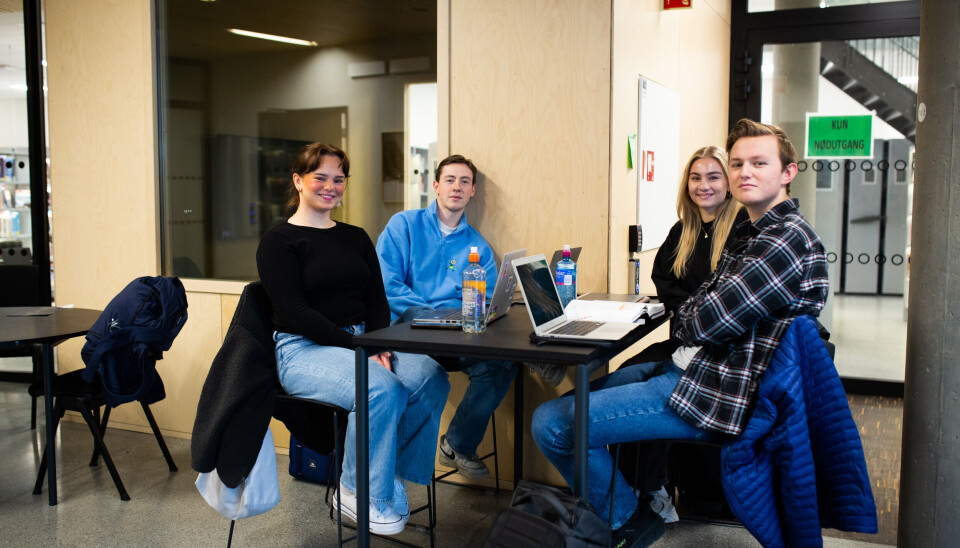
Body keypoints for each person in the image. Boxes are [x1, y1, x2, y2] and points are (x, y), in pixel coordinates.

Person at [532, 119, 829, 548]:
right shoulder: (751, 230)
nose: (744, 172)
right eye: (738, 163)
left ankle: (629, 521)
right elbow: (695, 301)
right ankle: (635, 502)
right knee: (585, 395)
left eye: (759, 163)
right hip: (693, 366)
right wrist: (696, 311)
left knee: (552, 424)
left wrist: (693, 313)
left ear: (787, 172)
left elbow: (700, 319)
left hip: (713, 390)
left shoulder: (781, 241)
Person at [257, 143, 450, 536]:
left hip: (362, 341)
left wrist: (375, 343)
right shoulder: (278, 241)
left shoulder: (355, 236)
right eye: (320, 178)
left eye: (339, 179)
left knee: (431, 374)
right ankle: (355, 490)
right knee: (380, 389)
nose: (331, 186)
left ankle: (388, 473)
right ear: (298, 181)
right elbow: (296, 313)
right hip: (303, 348)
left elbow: (376, 298)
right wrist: (360, 349)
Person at [376, 154, 528, 481]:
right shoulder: (404, 225)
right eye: (449, 180)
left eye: (464, 182)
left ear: (473, 191)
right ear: (435, 186)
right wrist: (432, 314)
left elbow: (486, 300)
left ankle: (457, 444)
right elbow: (386, 283)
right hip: (408, 332)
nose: (456, 187)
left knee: (502, 364)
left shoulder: (478, 246)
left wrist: (470, 315)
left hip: (454, 335)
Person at [616, 146, 745, 521]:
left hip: (719, 351)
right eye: (696, 177)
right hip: (682, 339)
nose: (703, 186)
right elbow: (665, 282)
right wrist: (694, 308)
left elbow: (729, 301)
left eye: (713, 177)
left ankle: (650, 487)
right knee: (624, 376)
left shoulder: (742, 230)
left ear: (729, 182)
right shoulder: (683, 230)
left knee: (654, 394)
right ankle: (642, 487)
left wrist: (695, 309)